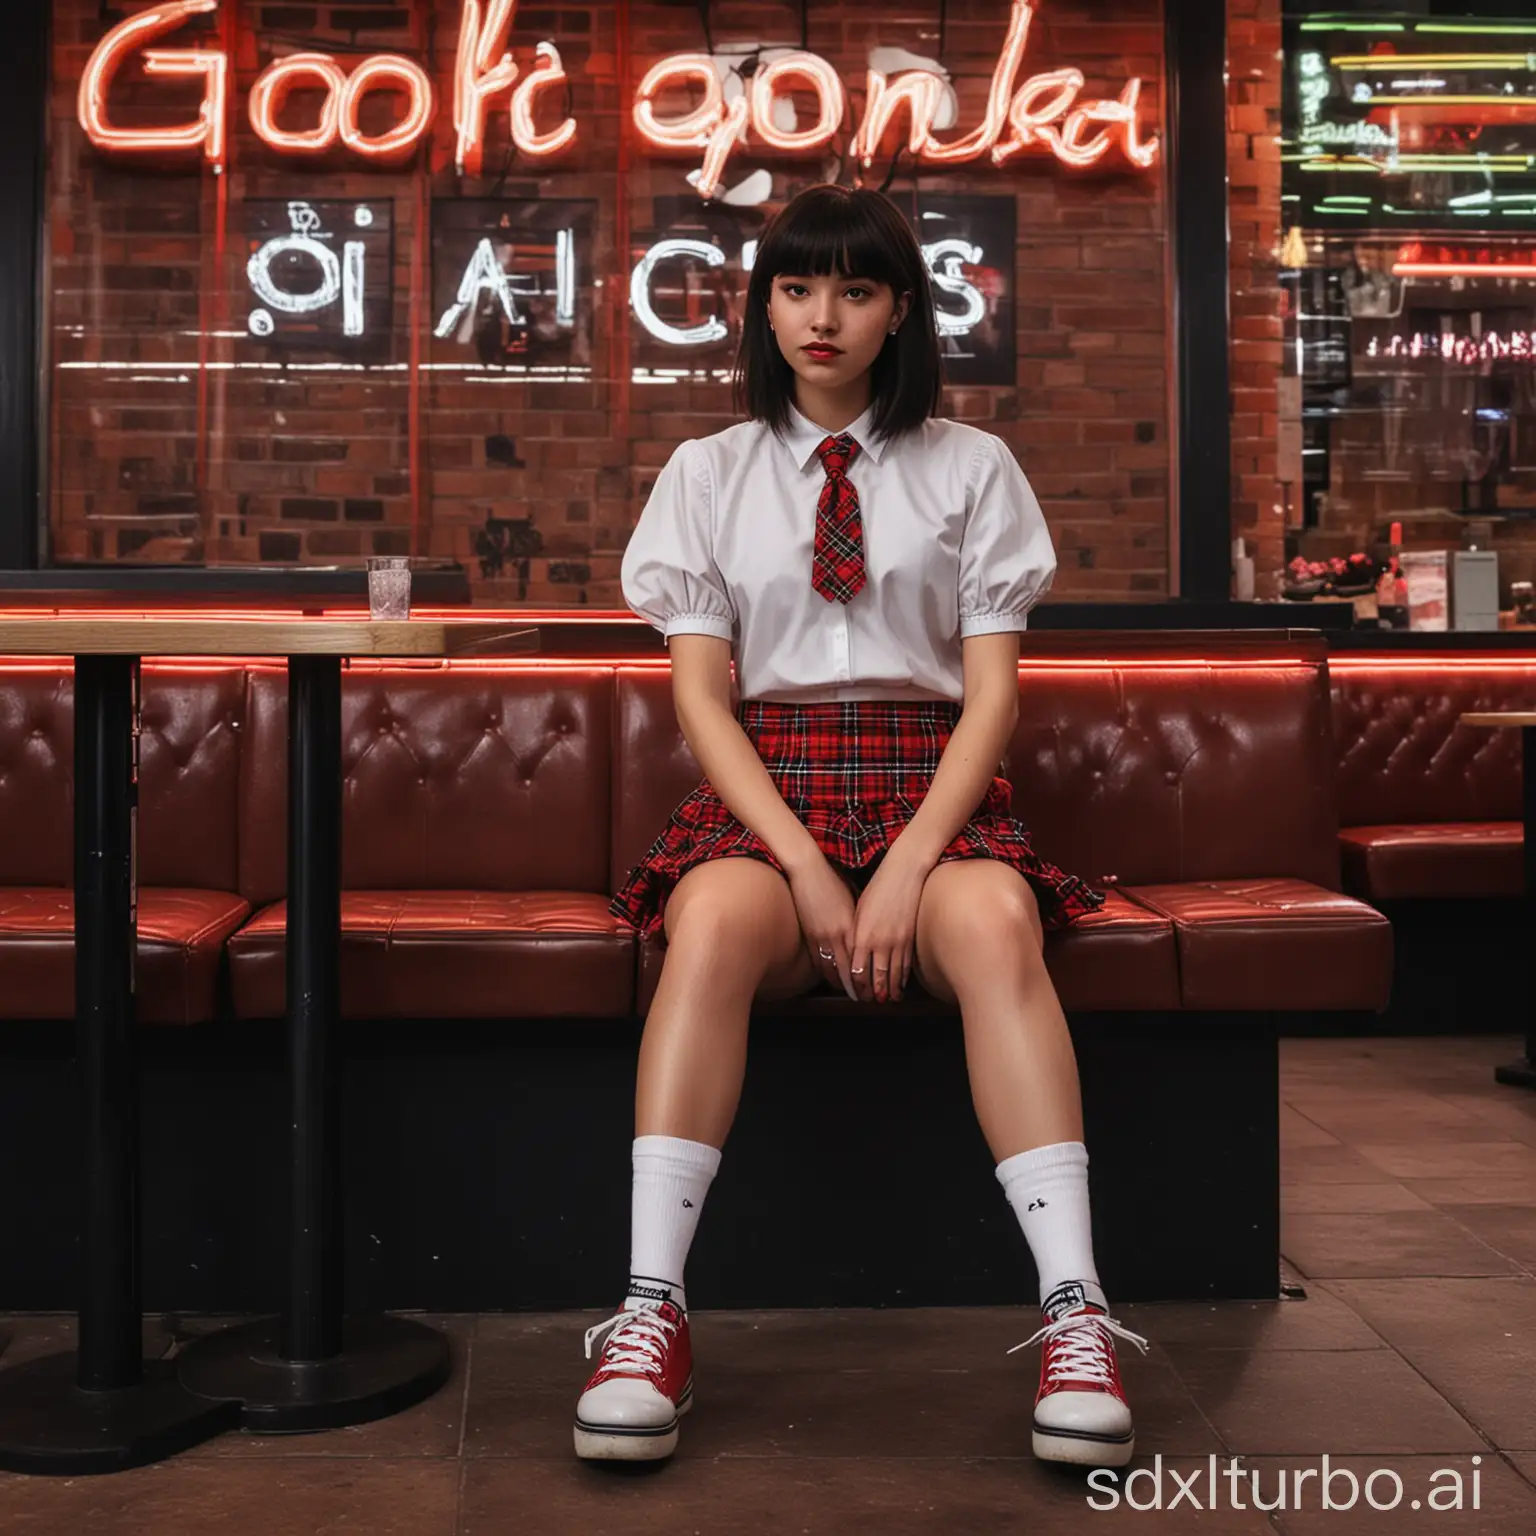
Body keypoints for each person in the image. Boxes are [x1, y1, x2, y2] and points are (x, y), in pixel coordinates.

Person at [580, 183, 1148, 1469]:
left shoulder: (973, 467)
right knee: (710, 921)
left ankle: (1076, 1312)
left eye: (852, 289)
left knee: (999, 923)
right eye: (794, 288)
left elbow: (992, 697)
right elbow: (700, 700)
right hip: (768, 789)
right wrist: (803, 866)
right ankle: (649, 1311)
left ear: (901, 309)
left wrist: (898, 871)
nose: (820, 316)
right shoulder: (706, 474)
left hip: (929, 787)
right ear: (764, 305)